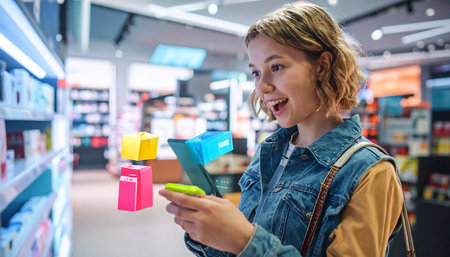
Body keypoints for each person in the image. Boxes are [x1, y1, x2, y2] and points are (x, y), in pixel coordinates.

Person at [159, 1, 403, 256]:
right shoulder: (269, 152)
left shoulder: (370, 172)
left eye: (276, 67)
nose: (262, 87)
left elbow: (245, 243)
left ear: (322, 66)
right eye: (255, 72)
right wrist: (209, 232)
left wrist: (244, 240)